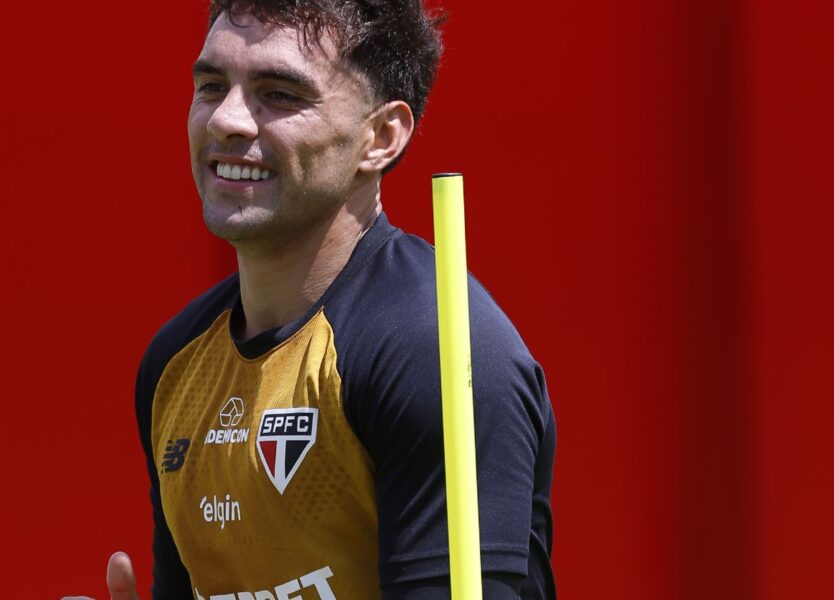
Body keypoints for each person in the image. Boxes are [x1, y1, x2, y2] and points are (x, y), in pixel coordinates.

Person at [66, 1, 556, 598]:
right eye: (211, 86)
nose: (227, 119)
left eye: (279, 94)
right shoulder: (174, 362)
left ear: (381, 137)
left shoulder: (434, 353)